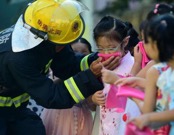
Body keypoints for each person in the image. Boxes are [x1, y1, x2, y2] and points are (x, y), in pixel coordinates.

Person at [0, 0, 120, 135]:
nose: (64, 47)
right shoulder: (18, 57)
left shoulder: (47, 36)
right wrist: (90, 75)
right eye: (61, 44)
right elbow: (52, 96)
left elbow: (69, 65)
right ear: (42, 38)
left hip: (15, 111)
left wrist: (96, 59)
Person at [130, 14, 174, 135]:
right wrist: (132, 89)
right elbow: (166, 114)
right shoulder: (168, 74)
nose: (143, 45)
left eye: (145, 41)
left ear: (156, 43)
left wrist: (149, 118)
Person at [91, 16, 141, 135]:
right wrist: (94, 98)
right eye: (100, 49)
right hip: (105, 126)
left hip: (128, 126)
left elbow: (140, 94)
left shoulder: (134, 65)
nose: (106, 53)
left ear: (125, 42)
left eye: (111, 48)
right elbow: (91, 97)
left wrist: (116, 80)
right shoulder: (98, 66)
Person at [41, 38, 94, 135]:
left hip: (81, 118)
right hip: (57, 114)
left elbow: (93, 107)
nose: (79, 55)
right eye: (75, 52)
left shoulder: (92, 75)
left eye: (84, 52)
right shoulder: (59, 68)